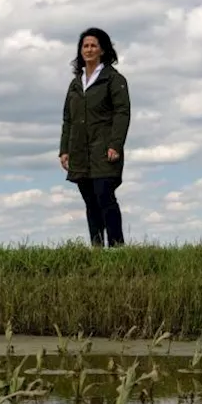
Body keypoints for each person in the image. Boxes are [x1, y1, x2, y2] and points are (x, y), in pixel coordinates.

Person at [59, 27, 131, 248]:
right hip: (80, 152)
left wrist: (115, 144)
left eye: (93, 45)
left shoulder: (113, 79)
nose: (88, 49)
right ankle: (97, 249)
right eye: (85, 46)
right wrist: (64, 150)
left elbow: (122, 112)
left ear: (102, 50)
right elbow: (68, 119)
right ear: (80, 51)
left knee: (104, 197)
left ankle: (117, 247)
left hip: (104, 150)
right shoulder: (75, 83)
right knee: (90, 201)